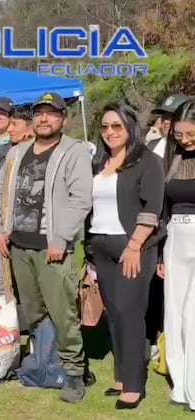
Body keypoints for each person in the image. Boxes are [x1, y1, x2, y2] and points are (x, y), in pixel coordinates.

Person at [0, 92, 93, 403]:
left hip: (52, 247)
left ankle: (75, 372)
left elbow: (80, 200)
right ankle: (47, 363)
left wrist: (61, 238)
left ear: (64, 118)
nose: (44, 118)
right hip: (19, 246)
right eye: (39, 113)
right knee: (34, 313)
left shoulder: (72, 152)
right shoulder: (16, 153)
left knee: (63, 313)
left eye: (51, 113)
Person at [86, 103, 164, 410]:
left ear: (130, 126)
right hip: (100, 245)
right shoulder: (99, 161)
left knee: (131, 313)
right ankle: (121, 375)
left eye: (116, 126)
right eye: (105, 126)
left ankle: (134, 386)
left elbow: (152, 208)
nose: (110, 132)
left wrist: (134, 246)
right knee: (115, 313)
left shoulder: (148, 161)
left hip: (134, 246)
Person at [158, 98, 195, 411]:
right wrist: (159, 253)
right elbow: (163, 207)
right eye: (180, 135)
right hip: (174, 239)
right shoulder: (172, 157)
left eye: (191, 134)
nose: (185, 140)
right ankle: (180, 387)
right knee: (173, 314)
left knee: (192, 316)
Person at [0, 105, 35, 295]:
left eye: (15, 124)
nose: (9, 129)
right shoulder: (13, 154)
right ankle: (8, 324)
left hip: (34, 237)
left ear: (31, 127)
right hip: (5, 234)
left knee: (31, 289)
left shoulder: (50, 154)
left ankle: (27, 324)